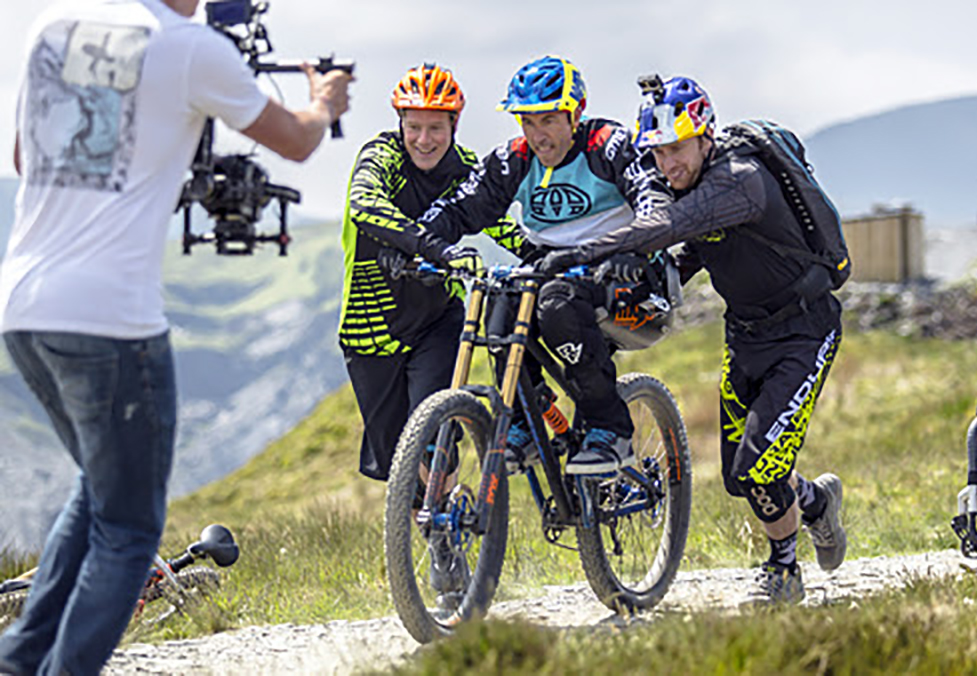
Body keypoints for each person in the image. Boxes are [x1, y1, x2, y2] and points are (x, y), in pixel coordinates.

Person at [0, 0, 351, 673]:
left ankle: (19, 664)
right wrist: (326, 100)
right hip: (111, 317)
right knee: (131, 529)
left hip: (23, 306)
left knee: (99, 488)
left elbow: (25, 150)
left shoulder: (52, 23)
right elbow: (298, 139)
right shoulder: (191, 47)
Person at [538, 76, 847, 604]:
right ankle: (816, 502)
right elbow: (686, 245)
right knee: (740, 476)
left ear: (704, 136)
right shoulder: (688, 184)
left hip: (805, 330)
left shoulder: (739, 181)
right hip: (745, 334)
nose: (668, 164)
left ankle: (783, 570)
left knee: (759, 466)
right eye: (657, 153)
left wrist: (579, 254)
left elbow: (670, 224)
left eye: (677, 148)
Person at [419, 55, 670, 475]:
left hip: (625, 274)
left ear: (575, 113)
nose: (538, 135)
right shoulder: (515, 158)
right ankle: (527, 423)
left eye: (549, 119)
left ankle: (612, 429)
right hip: (552, 267)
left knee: (555, 307)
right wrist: (420, 243)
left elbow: (653, 196)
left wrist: (636, 248)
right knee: (498, 315)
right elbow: (462, 207)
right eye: (527, 121)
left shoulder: (607, 144)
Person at [339, 62, 526, 484]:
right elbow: (364, 206)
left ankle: (449, 541)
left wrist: (539, 254)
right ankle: (422, 536)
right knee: (397, 469)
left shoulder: (462, 164)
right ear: (400, 124)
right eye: (414, 127)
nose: (424, 140)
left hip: (437, 320)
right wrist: (438, 249)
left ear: (454, 124)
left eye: (436, 128)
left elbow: (495, 220)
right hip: (370, 328)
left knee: (431, 435)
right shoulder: (381, 156)